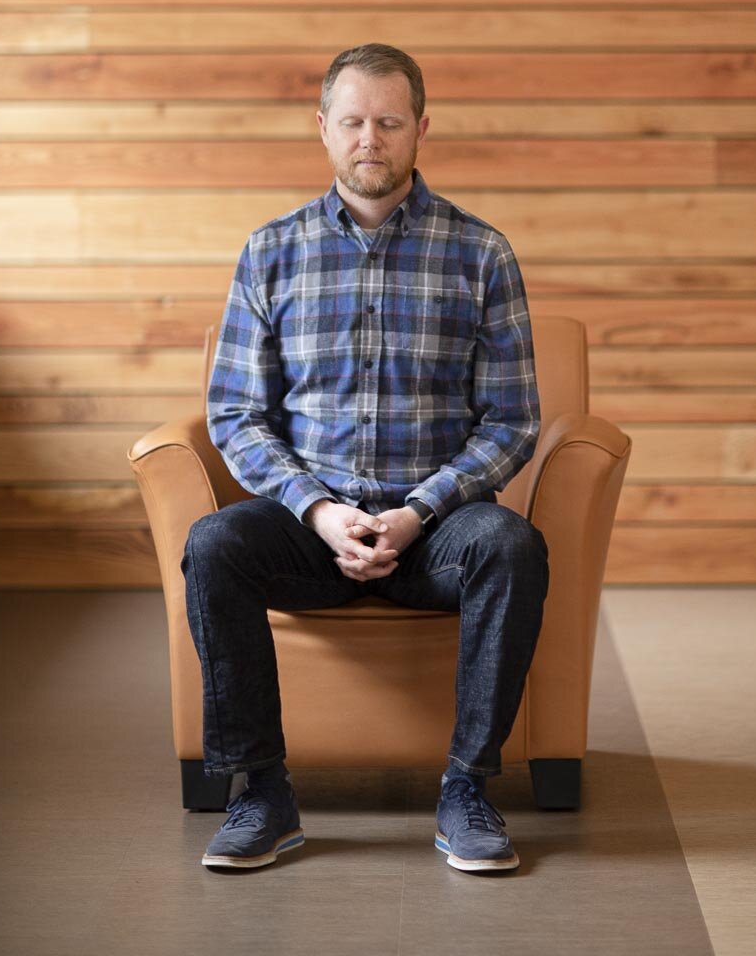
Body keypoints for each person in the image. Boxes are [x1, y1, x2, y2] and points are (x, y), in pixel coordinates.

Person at [181, 44, 548, 874]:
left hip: (437, 531)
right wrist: (319, 509)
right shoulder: (270, 251)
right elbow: (236, 413)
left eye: (389, 122)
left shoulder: (480, 253)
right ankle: (262, 792)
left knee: (512, 546)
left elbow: (512, 420)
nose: (370, 139)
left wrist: (418, 511)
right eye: (352, 122)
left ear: (422, 128)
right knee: (215, 546)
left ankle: (468, 788)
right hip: (311, 526)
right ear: (323, 129)